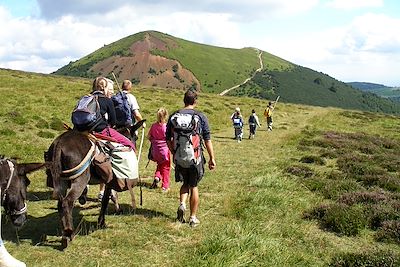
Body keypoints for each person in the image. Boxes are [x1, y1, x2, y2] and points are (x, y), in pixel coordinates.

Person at [166, 89, 216, 227]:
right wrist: (212, 158)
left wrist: (173, 152)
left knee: (184, 183)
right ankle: (193, 217)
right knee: (193, 185)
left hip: (179, 156)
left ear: (184, 100)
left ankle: (182, 204)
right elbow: (207, 139)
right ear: (195, 101)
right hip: (195, 157)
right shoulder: (200, 116)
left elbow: (167, 138)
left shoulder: (174, 115)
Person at [91, 77, 135, 201]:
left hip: (83, 130)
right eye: (109, 89)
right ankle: (125, 179)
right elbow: (112, 121)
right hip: (101, 130)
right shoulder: (106, 100)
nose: (111, 91)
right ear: (103, 88)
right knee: (129, 144)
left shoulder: (87, 98)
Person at [148, 107, 171, 192]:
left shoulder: (154, 126)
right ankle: (165, 186)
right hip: (164, 150)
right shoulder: (166, 127)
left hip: (155, 150)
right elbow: (169, 138)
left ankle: (157, 177)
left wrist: (155, 142)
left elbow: (149, 136)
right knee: (166, 167)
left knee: (160, 164)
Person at [120, 80, 145, 144]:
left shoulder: (115, 97)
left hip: (117, 129)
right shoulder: (131, 97)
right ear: (130, 88)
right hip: (129, 130)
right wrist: (142, 122)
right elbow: (136, 114)